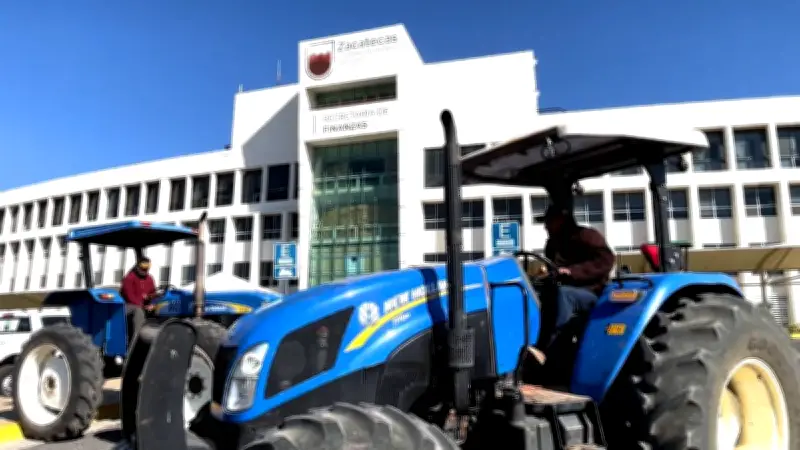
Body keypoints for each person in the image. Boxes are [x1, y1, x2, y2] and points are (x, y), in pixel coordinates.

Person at [539, 204, 615, 347]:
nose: (545, 226)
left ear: (560, 220)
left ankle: (554, 345)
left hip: (592, 293)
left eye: (548, 222)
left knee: (564, 294)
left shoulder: (587, 236)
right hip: (563, 289)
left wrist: (573, 272)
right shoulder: (552, 245)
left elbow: (606, 260)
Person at [120, 257, 159, 342]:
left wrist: (153, 303)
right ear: (138, 267)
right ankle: (136, 341)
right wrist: (143, 306)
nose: (145, 270)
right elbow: (130, 296)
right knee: (138, 311)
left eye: (147, 268)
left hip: (144, 305)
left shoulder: (150, 278)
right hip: (128, 306)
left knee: (161, 308)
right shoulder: (129, 278)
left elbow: (153, 293)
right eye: (143, 268)